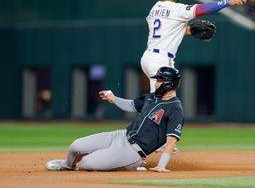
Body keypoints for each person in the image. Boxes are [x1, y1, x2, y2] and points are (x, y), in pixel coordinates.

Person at [45, 66, 184, 172]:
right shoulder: (151, 97)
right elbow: (131, 105)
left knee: (86, 164)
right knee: (75, 146)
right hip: (120, 135)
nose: (155, 83)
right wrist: (114, 99)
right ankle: (66, 166)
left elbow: (171, 142)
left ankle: (130, 165)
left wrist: (161, 165)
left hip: (133, 152)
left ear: (170, 84)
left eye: (160, 80)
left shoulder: (175, 109)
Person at [141, 0, 247, 92]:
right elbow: (204, 8)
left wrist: (189, 30)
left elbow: (166, 30)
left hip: (148, 57)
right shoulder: (176, 9)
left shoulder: (155, 8)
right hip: (161, 60)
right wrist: (228, 1)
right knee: (163, 103)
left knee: (159, 102)